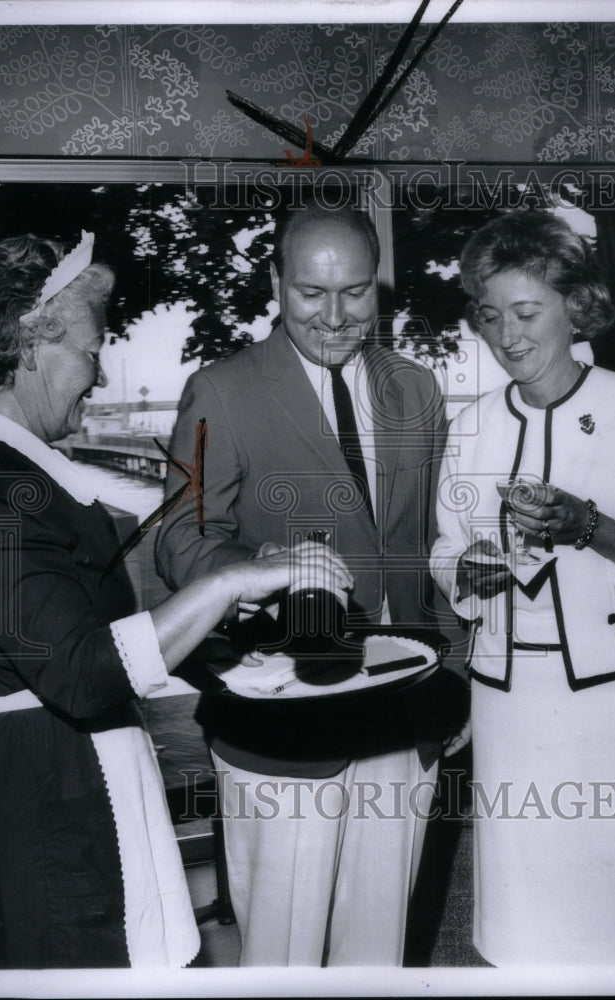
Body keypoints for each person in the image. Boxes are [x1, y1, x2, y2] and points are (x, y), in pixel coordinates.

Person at [0, 232, 351, 970]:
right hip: (44, 809)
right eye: (92, 349)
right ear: (30, 345)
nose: (99, 373)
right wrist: (224, 582)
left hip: (57, 789)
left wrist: (223, 608)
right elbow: (85, 673)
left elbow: (76, 623)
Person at [155, 200, 456, 966]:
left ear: (377, 286)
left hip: (402, 712)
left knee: (378, 953)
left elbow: (426, 544)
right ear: (275, 282)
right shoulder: (220, 390)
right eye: (309, 293)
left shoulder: (416, 389)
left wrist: (455, 668)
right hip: (282, 715)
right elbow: (181, 535)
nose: (332, 315)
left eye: (353, 292)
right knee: (281, 956)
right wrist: (252, 574)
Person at [430, 210, 615, 965]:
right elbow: (445, 551)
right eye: (489, 315)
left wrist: (589, 527)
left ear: (573, 308)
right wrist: (466, 575)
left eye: (525, 312)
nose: (506, 336)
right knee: (525, 919)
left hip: (612, 699)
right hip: (509, 700)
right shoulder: (471, 426)